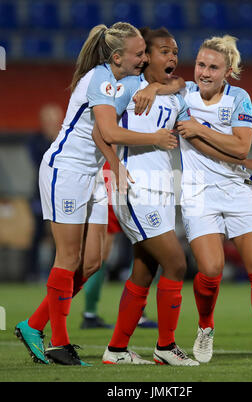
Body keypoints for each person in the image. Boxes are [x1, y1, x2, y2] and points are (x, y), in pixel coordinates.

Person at [14, 22, 178, 366]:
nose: (145, 58)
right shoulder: (99, 80)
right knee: (68, 258)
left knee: (91, 262)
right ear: (117, 57)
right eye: (139, 54)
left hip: (91, 176)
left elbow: (168, 85)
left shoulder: (127, 78)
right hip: (66, 171)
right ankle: (59, 344)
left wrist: (158, 90)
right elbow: (107, 130)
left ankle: (33, 324)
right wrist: (154, 138)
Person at [176, 35, 252, 365]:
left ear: (227, 71)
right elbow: (210, 146)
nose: (204, 72)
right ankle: (205, 326)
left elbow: (241, 147)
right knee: (211, 269)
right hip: (199, 193)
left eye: (213, 67)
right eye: (201, 64)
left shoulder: (239, 98)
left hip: (239, 191)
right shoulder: (181, 92)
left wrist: (197, 128)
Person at [102, 27, 199, 366]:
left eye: (175, 51)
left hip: (160, 188)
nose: (172, 56)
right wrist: (114, 164)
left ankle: (116, 351)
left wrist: (161, 86)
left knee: (144, 270)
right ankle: (166, 346)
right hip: (135, 188)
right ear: (144, 56)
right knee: (176, 262)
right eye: (163, 51)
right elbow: (101, 128)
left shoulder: (172, 94)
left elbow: (185, 86)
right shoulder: (129, 87)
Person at [80, 161, 158, 329]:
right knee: (102, 254)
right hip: (117, 177)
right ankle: (91, 313)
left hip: (124, 176)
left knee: (140, 245)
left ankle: (93, 313)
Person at [26, 103, 63, 282]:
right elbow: (37, 161)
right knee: (38, 234)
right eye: (46, 119)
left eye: (52, 118)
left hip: (60, 193)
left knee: (60, 235)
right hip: (39, 194)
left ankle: (55, 272)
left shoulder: (64, 137)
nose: (49, 122)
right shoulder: (36, 139)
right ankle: (32, 273)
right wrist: (50, 141)